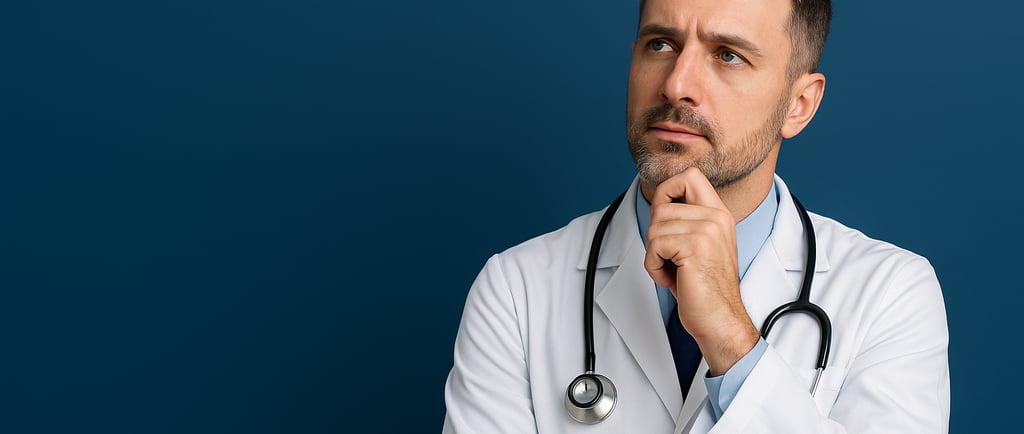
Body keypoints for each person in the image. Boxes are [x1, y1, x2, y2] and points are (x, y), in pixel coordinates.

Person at [442, 0, 950, 431]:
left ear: (798, 104)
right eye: (661, 44)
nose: (676, 84)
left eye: (728, 55)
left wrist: (732, 340)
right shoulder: (517, 289)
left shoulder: (890, 294)